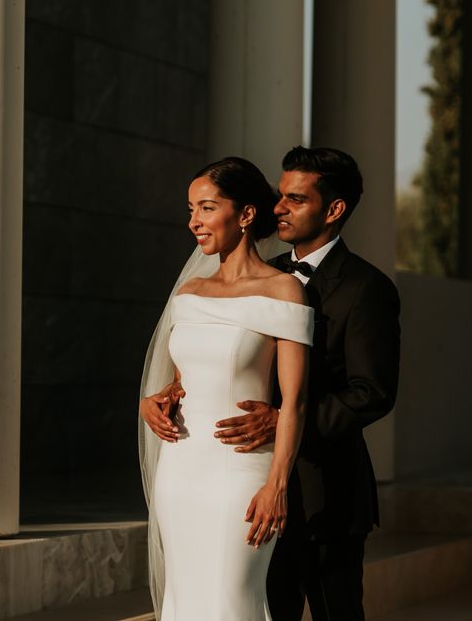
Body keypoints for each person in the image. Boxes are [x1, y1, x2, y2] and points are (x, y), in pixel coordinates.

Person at [212, 147, 401, 620]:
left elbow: (371, 392)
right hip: (250, 487)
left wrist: (284, 422)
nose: (278, 208)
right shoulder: (264, 274)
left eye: (295, 199)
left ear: (334, 209)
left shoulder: (367, 288)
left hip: (325, 495)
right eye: (280, 196)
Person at [138, 157, 313, 620]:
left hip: (242, 474)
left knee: (231, 599)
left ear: (246, 215)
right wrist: (154, 401)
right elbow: (183, 380)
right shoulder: (189, 292)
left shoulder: (284, 291)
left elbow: (293, 402)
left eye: (207, 207)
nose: (194, 220)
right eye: (191, 208)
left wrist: (277, 486)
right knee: (185, 597)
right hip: (180, 470)